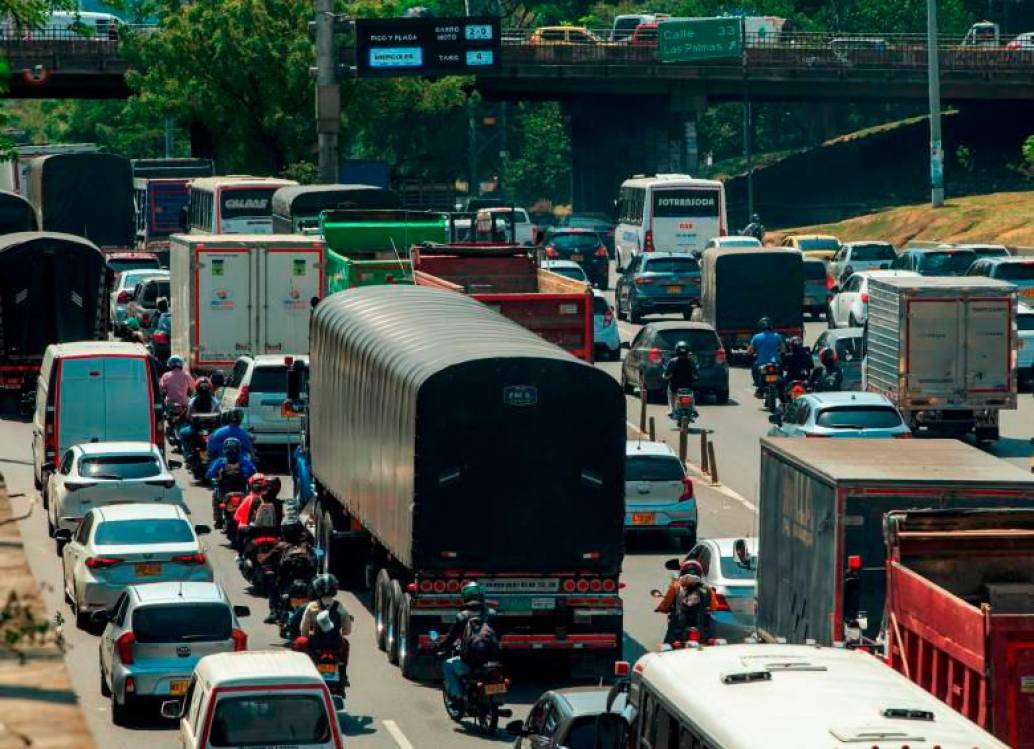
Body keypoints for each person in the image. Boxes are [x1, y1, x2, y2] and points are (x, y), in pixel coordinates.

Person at [438, 581, 499, 706]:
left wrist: (440, 647)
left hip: (470, 662)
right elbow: (500, 633)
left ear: (465, 597)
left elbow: (451, 637)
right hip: (493, 660)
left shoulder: (462, 616)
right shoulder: (492, 614)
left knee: (447, 666)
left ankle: (458, 697)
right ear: (481, 596)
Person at [299, 573, 352, 685]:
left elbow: (303, 630)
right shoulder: (340, 607)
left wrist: (307, 636)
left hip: (316, 646)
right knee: (346, 643)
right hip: (336, 647)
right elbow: (347, 631)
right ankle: (343, 673)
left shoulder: (312, 606)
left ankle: (303, 671)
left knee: (300, 642)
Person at [260, 520, 317, 624]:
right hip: (307, 583)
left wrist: (262, 559)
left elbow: (265, 560)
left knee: (272, 585)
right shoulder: (306, 546)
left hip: (287, 583)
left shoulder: (281, 545)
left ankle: (273, 612)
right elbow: (315, 559)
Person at [655, 559, 711, 645]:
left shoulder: (676, 586)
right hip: (701, 628)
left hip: (678, 629)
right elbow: (714, 606)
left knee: (667, 646)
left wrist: (662, 609)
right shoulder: (707, 589)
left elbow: (666, 604)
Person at [207, 437, 256, 528]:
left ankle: (218, 520)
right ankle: (251, 518)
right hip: (242, 492)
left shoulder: (220, 461)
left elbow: (210, 474)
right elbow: (253, 471)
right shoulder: (244, 460)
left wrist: (215, 478)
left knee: (215, 497)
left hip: (224, 493)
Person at [747, 317, 786, 394]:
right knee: (780, 374)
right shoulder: (777, 336)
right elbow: (783, 350)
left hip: (761, 363)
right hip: (775, 362)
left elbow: (749, 351)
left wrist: (752, 353)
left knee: (754, 370)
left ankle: (758, 386)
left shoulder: (756, 337)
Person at [662, 341, 698, 418]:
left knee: (669, 389)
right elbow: (696, 376)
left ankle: (671, 409)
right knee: (691, 393)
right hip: (688, 386)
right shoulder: (691, 362)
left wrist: (664, 376)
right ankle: (694, 408)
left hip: (675, 387)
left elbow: (667, 376)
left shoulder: (672, 361)